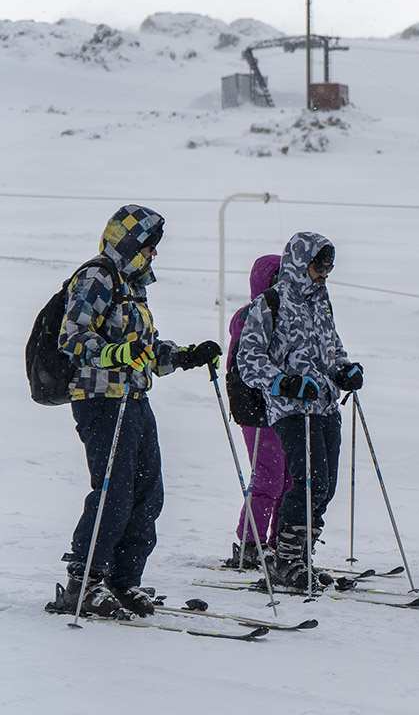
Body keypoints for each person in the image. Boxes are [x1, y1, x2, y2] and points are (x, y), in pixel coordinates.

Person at [54, 204, 222, 617]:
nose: (153, 254)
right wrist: (115, 352)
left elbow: (143, 354)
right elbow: (71, 338)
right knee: (114, 492)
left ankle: (123, 581)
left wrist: (184, 356)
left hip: (134, 399)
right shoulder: (97, 277)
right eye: (149, 246)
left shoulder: (133, 287)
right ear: (128, 243)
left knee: (148, 493)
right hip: (100, 401)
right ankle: (84, 584)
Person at [237, 233, 363, 591]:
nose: (324, 273)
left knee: (326, 487)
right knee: (310, 481)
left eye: (328, 267)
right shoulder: (271, 302)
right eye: (318, 265)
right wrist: (283, 382)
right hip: (292, 407)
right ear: (299, 262)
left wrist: (343, 369)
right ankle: (286, 560)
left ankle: (300, 558)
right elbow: (250, 359)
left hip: (324, 403)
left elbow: (332, 348)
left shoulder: (322, 301)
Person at [224, 254, 292, 568]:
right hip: (256, 409)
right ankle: (251, 544)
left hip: (283, 407)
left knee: (289, 480)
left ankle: (281, 543)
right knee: (268, 477)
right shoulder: (249, 316)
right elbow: (248, 363)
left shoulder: (292, 315)